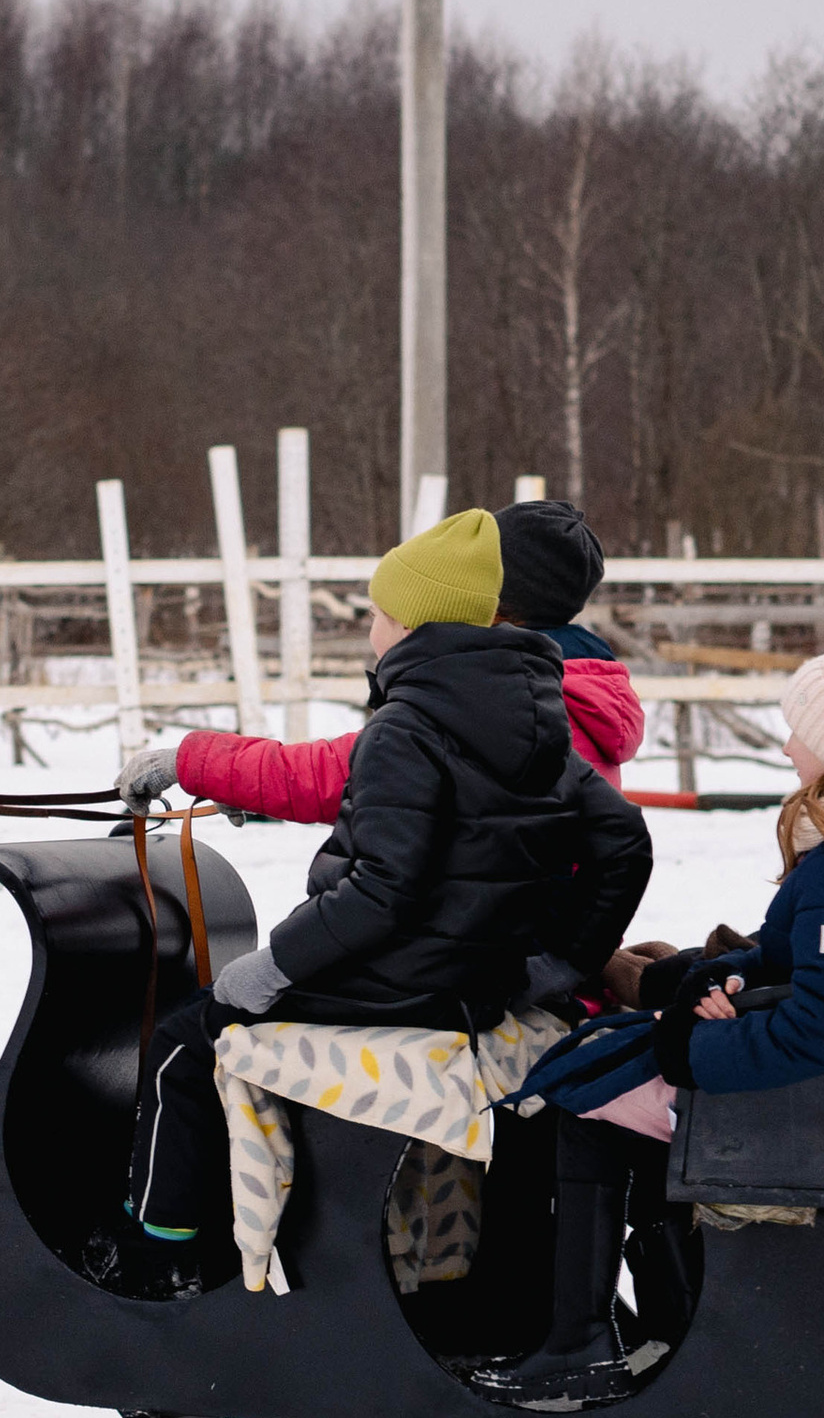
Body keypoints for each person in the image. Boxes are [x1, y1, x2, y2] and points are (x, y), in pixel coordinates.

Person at [91, 506, 653, 1299]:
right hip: (479, 975)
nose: (369, 632)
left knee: (187, 1042)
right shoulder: (541, 712)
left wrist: (274, 965)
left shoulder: (413, 724)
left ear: (431, 625)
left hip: (408, 978)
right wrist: (557, 960)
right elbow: (623, 843)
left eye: (379, 616)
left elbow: (382, 889)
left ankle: (156, 1248)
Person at [474, 655, 824, 1403]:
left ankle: (584, 1342)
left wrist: (687, 1047)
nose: (788, 748)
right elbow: (788, 962)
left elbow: (811, 1029)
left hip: (800, 1110)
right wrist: (712, 981)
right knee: (605, 1070)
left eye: (798, 733)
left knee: (584, 1099)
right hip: (794, 1088)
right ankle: (672, 1314)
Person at [119, 498, 642, 820]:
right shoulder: (570, 688)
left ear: (489, 602)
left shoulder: (511, 702)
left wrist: (198, 764)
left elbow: (345, 774)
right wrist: (239, 782)